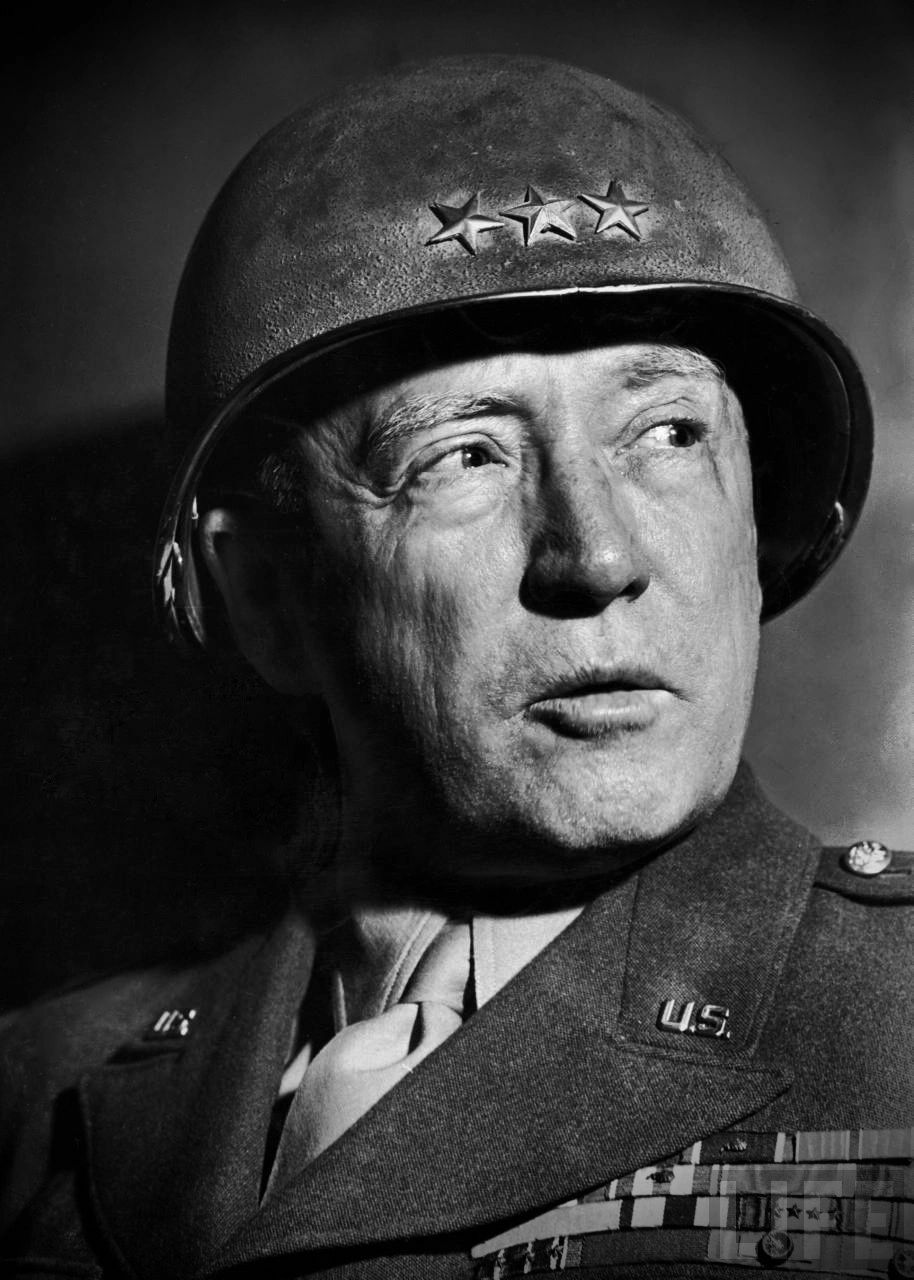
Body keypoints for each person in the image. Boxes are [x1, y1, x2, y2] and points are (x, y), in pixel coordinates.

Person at [1, 54, 911, 1280]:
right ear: (266, 594)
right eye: (463, 456)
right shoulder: (39, 1093)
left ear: (751, 519)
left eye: (666, 432)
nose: (595, 556)